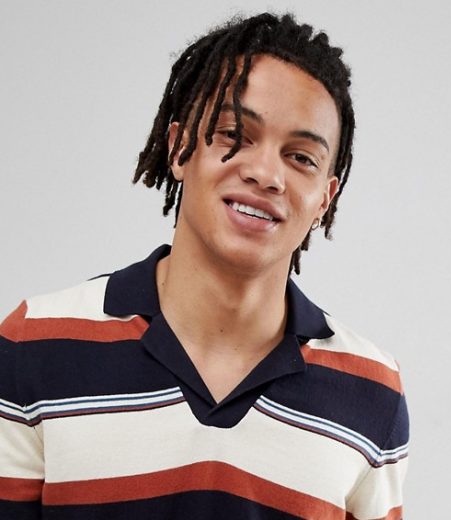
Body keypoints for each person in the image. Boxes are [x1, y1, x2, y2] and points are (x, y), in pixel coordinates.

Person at [0, 12, 408, 520]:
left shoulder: (371, 390)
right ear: (178, 148)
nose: (266, 174)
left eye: (301, 157)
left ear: (325, 198)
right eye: (235, 133)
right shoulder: (34, 344)